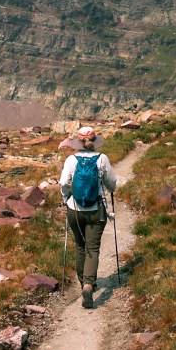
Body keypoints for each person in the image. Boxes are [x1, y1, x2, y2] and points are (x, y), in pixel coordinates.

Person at [59, 126, 116, 309]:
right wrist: (111, 190)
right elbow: (111, 183)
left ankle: (83, 279)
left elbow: (64, 183)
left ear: (78, 142)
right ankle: (88, 285)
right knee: (93, 247)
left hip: (74, 209)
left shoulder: (71, 160)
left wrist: (66, 197)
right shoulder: (102, 159)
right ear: (94, 141)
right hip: (96, 209)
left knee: (80, 246)